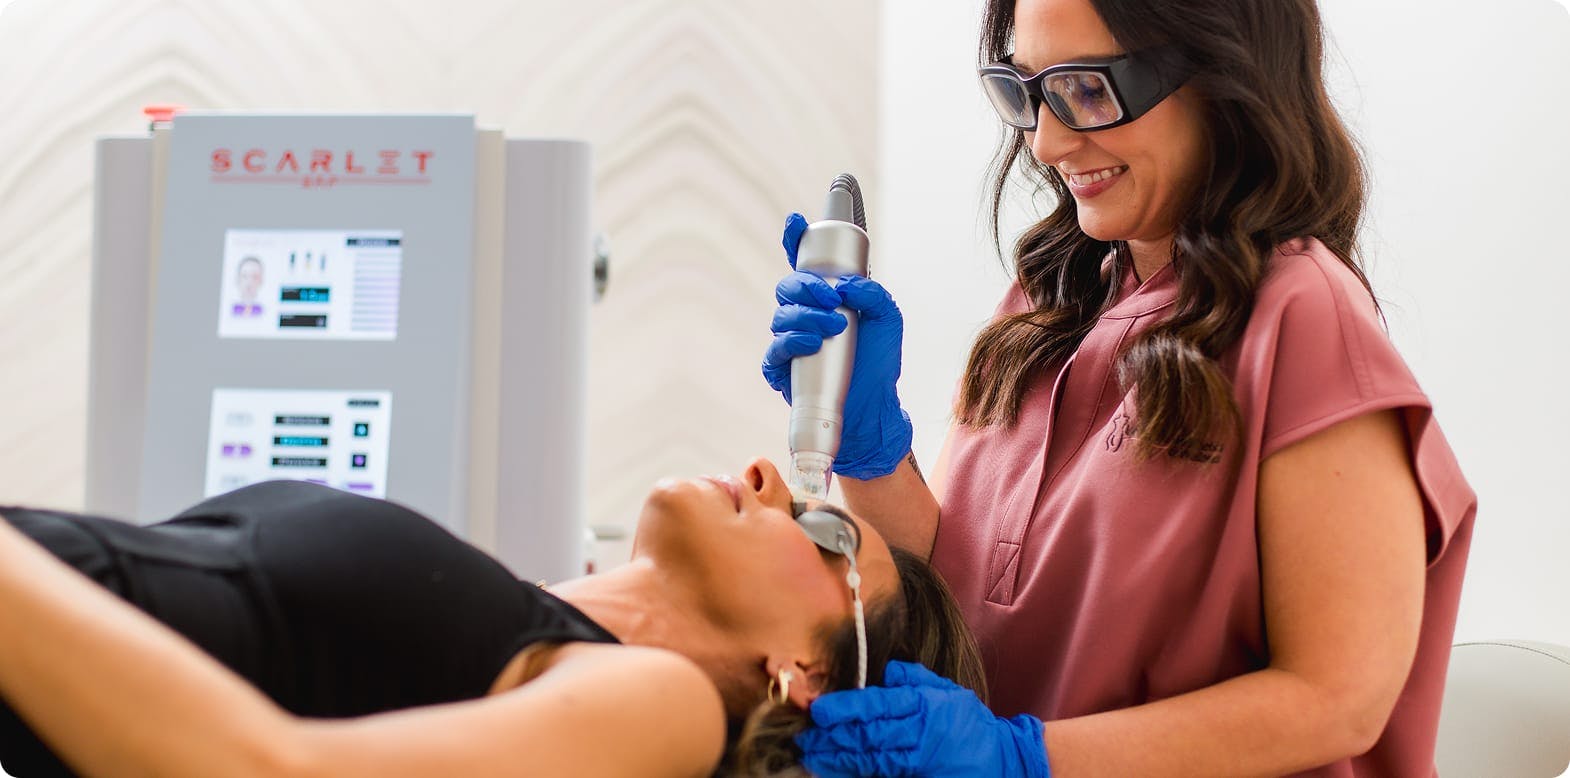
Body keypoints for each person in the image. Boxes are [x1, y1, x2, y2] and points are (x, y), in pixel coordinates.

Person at [763, 0, 1477, 774]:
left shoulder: (1302, 318)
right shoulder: (1044, 304)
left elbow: (1337, 698)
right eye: (1025, 90)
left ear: (1224, 76)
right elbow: (961, 601)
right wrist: (869, 449)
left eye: (1088, 89)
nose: (1046, 142)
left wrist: (1026, 758)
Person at [0, 458, 985, 777]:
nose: (767, 474)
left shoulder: (662, 703)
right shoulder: (513, 609)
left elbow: (272, 770)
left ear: (802, 674)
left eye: (821, 531)